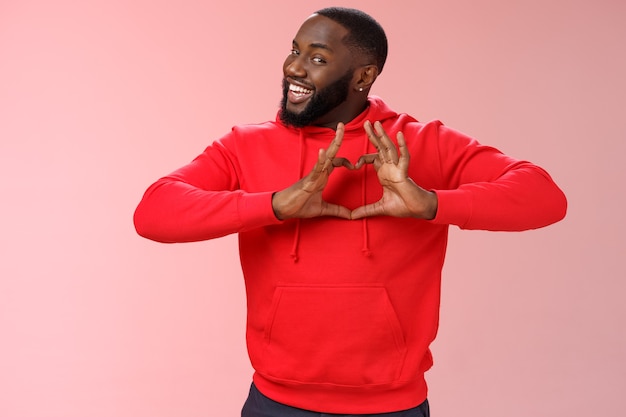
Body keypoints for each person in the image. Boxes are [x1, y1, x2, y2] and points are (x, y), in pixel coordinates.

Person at [133, 7, 567, 417]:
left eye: (316, 58)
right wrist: (274, 205)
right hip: (275, 403)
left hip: (393, 406)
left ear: (364, 75)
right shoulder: (244, 145)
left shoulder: (421, 142)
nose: (294, 68)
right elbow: (154, 211)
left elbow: (544, 197)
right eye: (294, 50)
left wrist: (430, 204)